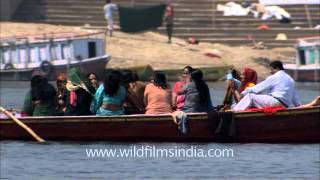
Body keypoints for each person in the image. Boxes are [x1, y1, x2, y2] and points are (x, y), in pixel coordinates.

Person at [233, 61, 301, 111]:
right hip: (284, 105)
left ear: (276, 68)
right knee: (256, 98)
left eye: (271, 69)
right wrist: (299, 106)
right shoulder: (291, 79)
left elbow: (258, 88)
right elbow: (296, 100)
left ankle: (234, 112)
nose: (270, 72)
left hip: (275, 102)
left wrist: (243, 93)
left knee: (250, 96)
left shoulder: (275, 77)